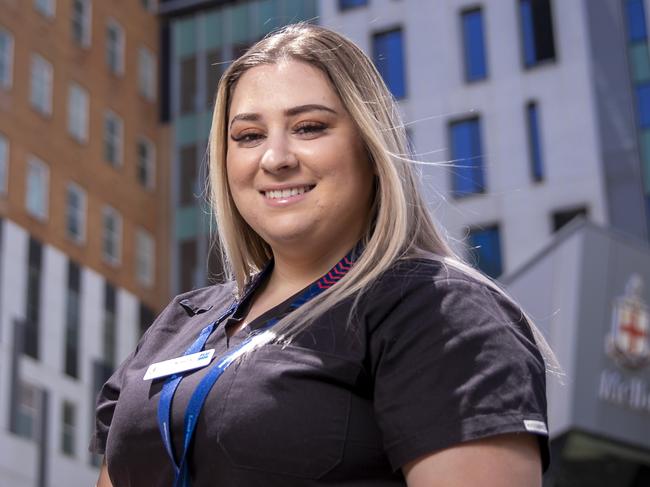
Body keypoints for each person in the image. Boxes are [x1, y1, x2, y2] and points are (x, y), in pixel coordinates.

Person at [92, 23, 551, 487]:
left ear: (371, 148)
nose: (275, 158)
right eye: (248, 135)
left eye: (309, 127)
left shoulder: (439, 309)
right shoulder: (181, 322)